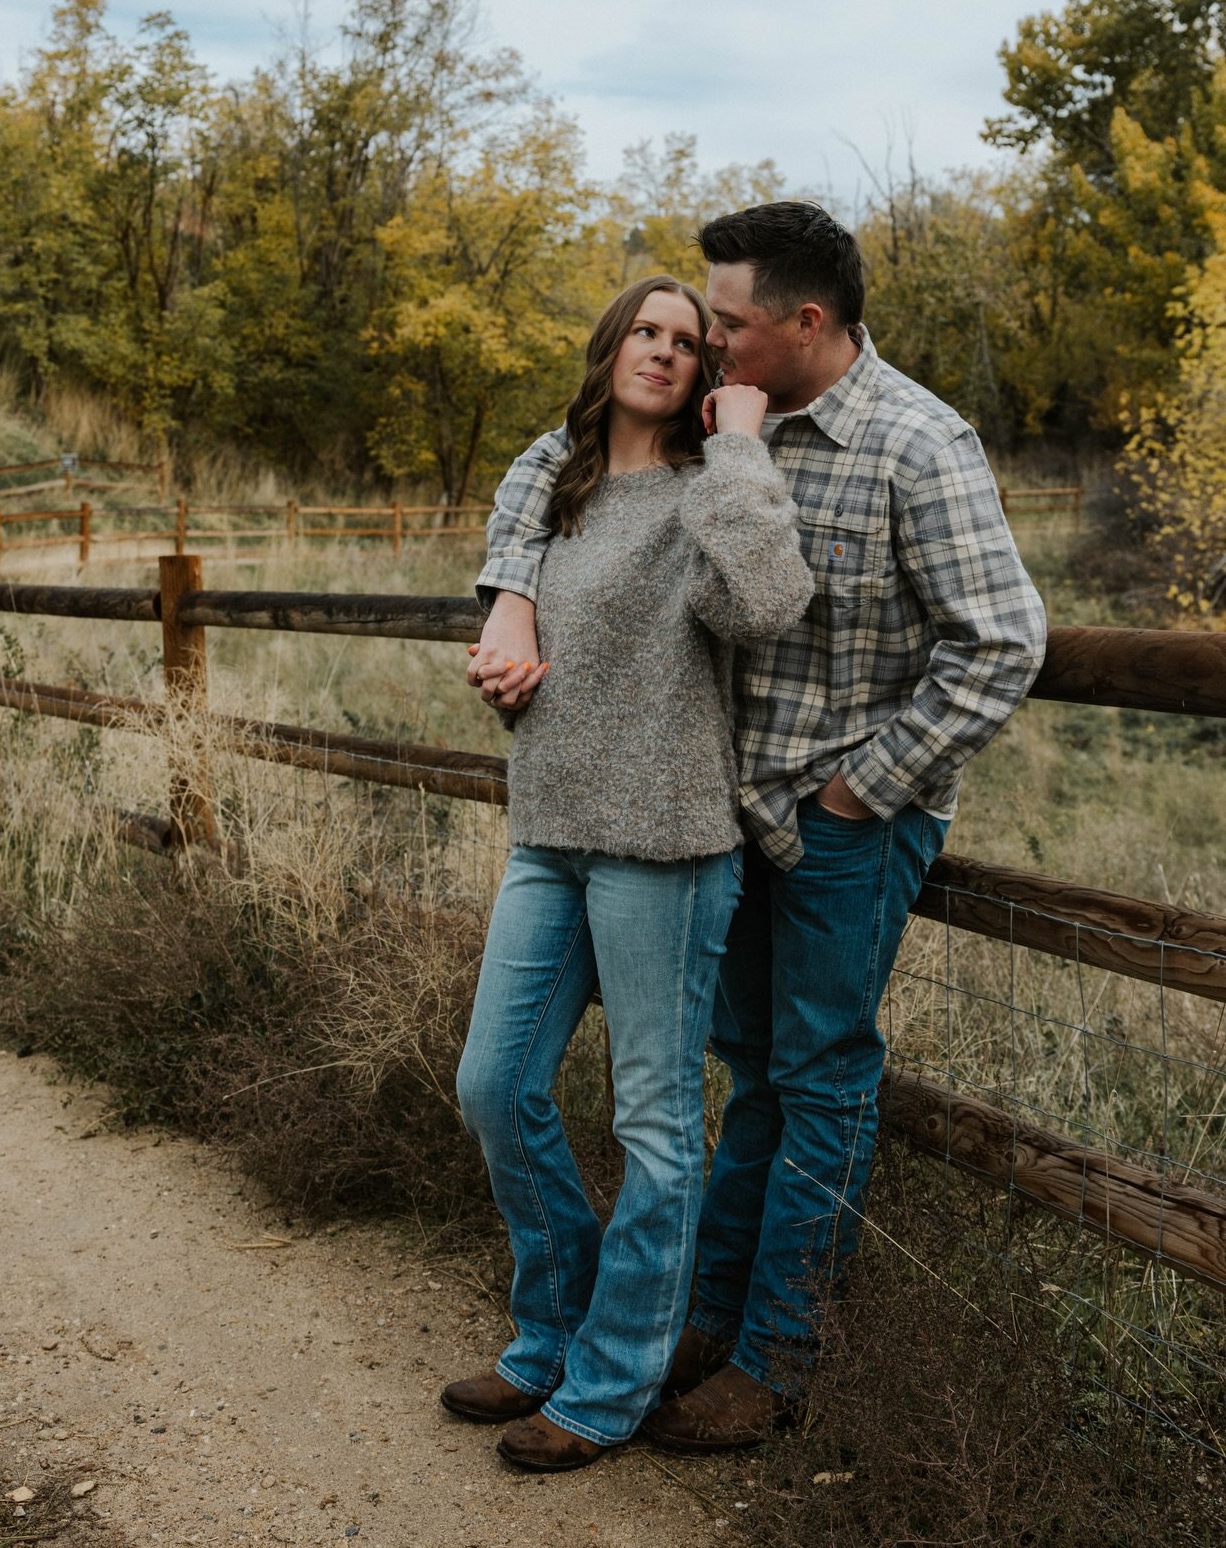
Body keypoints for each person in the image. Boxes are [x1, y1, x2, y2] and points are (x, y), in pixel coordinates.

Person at [471, 202, 1048, 1452]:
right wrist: (511, 594)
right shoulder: (731, 422)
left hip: (848, 814)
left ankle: (778, 1355)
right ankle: (701, 1319)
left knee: (820, 1075)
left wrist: (863, 790)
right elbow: (562, 472)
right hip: (727, 810)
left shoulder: (915, 442)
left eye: (727, 323)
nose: (710, 343)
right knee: (749, 1075)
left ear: (807, 320)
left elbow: (1003, 642)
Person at [442, 274, 814, 1473]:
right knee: (495, 1085)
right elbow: (518, 587)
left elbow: (767, 603)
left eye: (688, 341)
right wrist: (504, 639)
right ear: (610, 347)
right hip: (549, 825)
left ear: (709, 373)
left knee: (653, 1124)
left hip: (666, 840)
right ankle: (553, 1328)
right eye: (644, 331)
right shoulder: (554, 477)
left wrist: (743, 445)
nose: (662, 350)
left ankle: (608, 1384)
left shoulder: (711, 491)